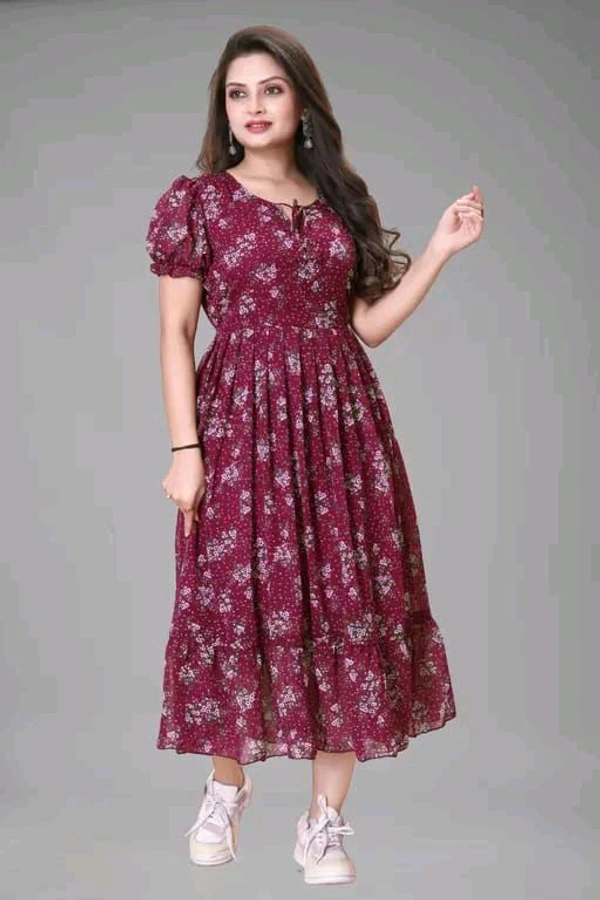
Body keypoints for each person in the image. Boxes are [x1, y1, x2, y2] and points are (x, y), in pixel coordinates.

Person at [145, 24, 483, 886]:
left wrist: (439, 249)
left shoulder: (338, 202)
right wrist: (186, 449)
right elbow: (176, 332)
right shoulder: (199, 202)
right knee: (236, 600)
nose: (253, 106)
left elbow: (366, 325)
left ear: (302, 102)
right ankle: (226, 789)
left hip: (342, 431)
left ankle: (325, 825)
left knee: (346, 602)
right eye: (237, 93)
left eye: (271, 89)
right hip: (239, 426)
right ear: (223, 110)